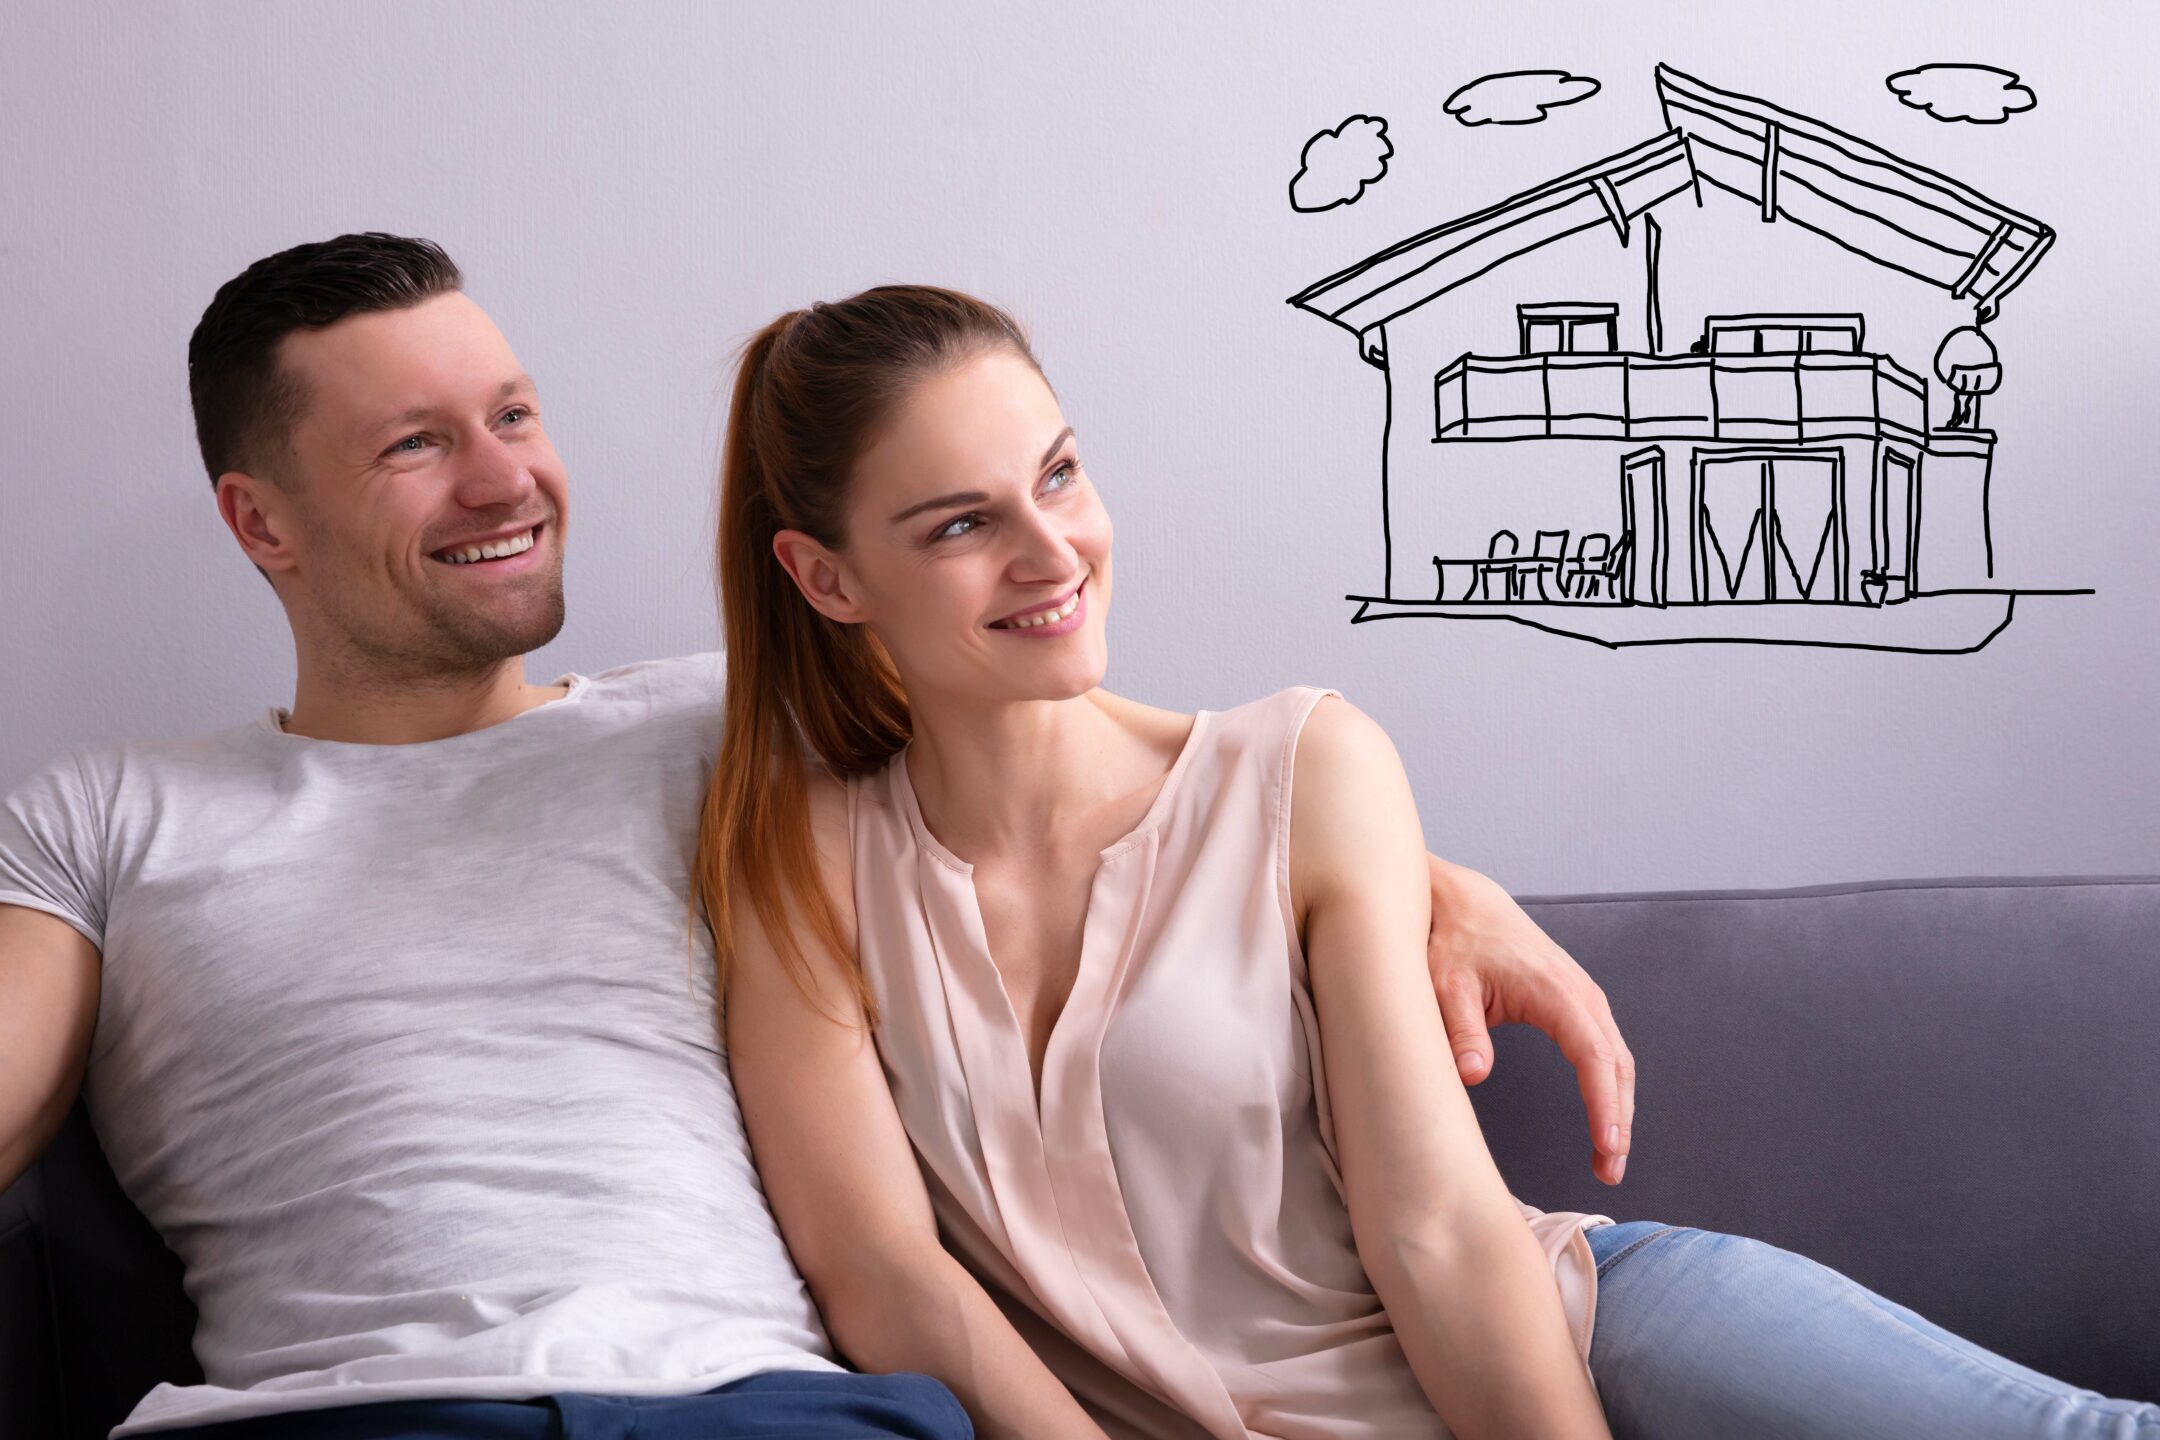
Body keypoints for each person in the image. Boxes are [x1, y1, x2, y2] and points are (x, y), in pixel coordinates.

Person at [0, 236, 1633, 1439]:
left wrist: (1436, 886)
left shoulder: (742, 734)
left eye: (513, 413)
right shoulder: (108, 817)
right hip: (352, 1419)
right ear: (260, 520)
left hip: (764, 1411)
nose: (506, 481)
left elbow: (1130, 782)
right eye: (417, 445)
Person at [704, 284, 2160, 1440]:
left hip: (1562, 1338)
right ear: (826, 577)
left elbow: (1436, 1227)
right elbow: (888, 1276)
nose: (1054, 550)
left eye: (1061, 474)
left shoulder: (1304, 766)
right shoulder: (799, 870)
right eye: (963, 523)